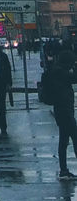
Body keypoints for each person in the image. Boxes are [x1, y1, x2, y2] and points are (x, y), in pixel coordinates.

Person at [42, 47, 77, 178]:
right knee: (73, 138)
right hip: (65, 111)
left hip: (62, 110)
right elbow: (74, 78)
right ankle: (63, 170)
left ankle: (63, 170)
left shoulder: (56, 71)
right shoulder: (60, 73)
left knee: (64, 140)